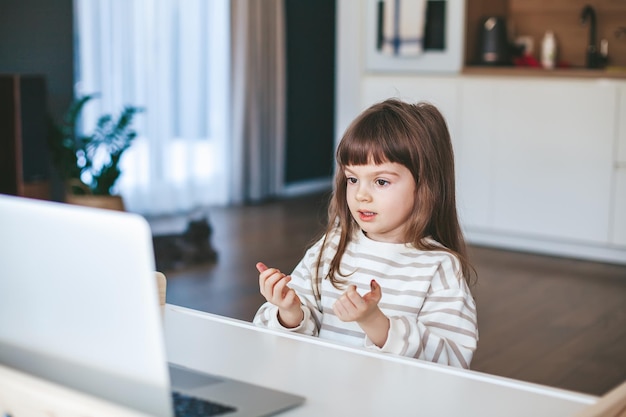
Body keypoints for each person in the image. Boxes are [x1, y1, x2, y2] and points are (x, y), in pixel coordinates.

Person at [253, 98, 478, 368]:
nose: (361, 195)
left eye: (381, 181)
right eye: (352, 179)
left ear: (425, 185)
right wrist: (288, 312)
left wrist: (376, 323)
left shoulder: (439, 267)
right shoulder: (332, 246)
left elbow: (453, 361)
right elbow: (288, 336)